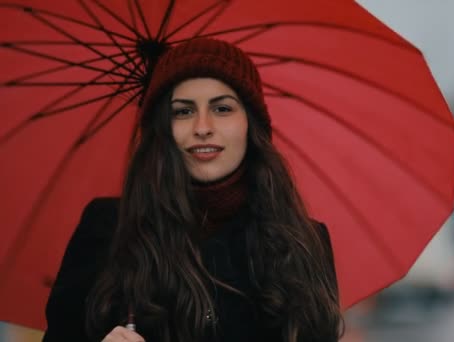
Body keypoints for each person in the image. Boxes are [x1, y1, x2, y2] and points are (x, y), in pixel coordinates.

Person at [42, 38, 343, 342]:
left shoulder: (303, 243)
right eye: (183, 111)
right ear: (162, 129)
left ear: (250, 125)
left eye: (222, 108)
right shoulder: (108, 229)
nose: (202, 127)